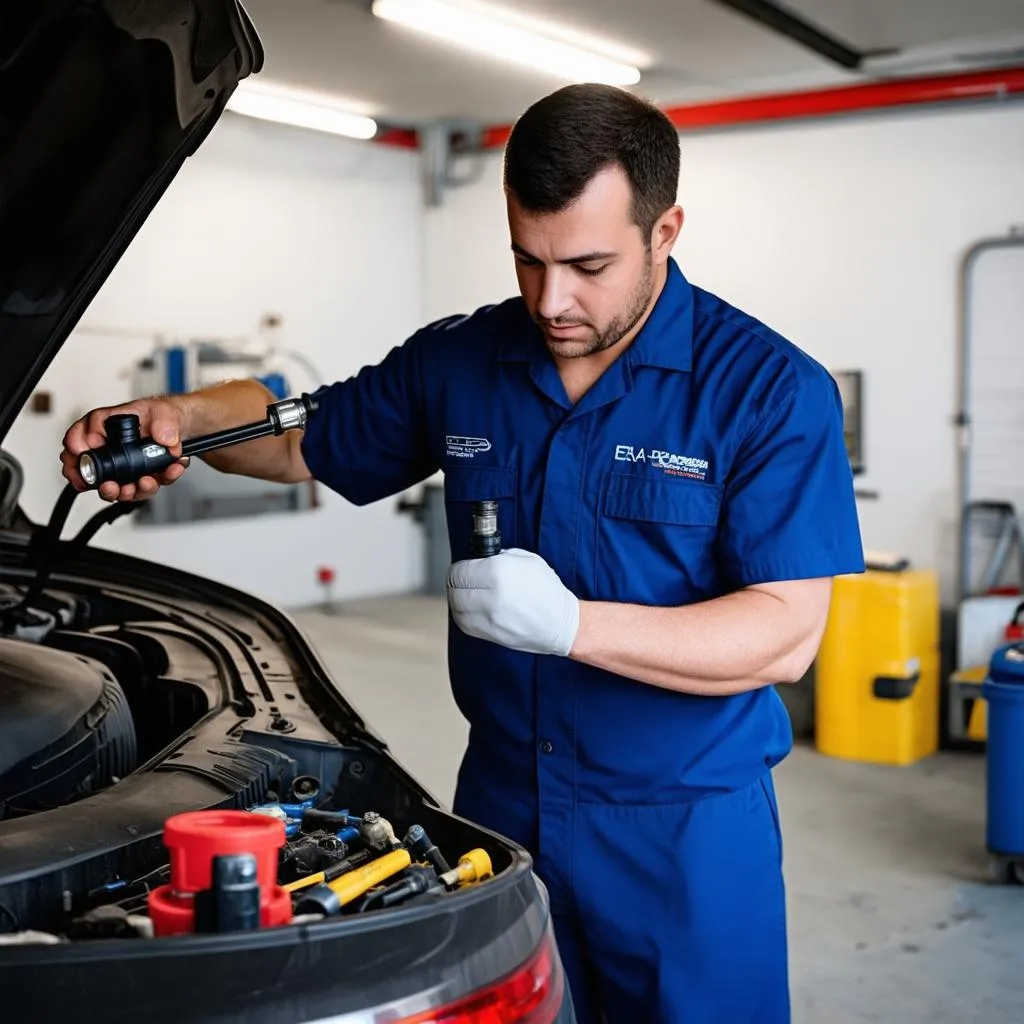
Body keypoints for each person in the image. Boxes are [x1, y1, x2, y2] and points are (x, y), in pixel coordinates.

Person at [62, 83, 864, 1022]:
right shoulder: (463, 360)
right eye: (528, 259)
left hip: (683, 832)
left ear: (667, 229)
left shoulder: (767, 390)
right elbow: (295, 440)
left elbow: (783, 636)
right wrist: (185, 419)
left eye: (589, 265)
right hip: (499, 812)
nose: (552, 299)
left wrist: (573, 627)